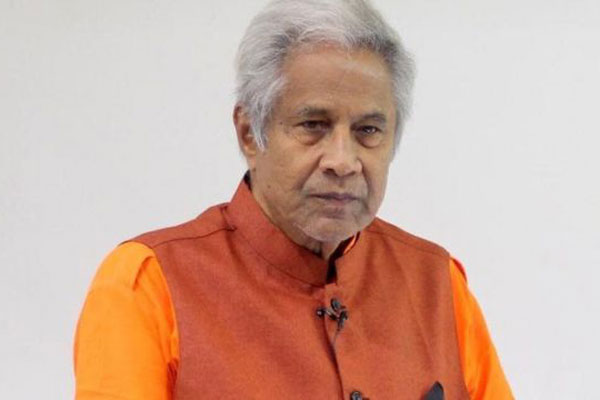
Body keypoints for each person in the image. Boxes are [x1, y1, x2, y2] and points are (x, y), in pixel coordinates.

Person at [73, 0, 513, 399]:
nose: (343, 161)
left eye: (368, 131)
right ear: (250, 133)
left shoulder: (438, 284)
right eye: (313, 125)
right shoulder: (149, 286)